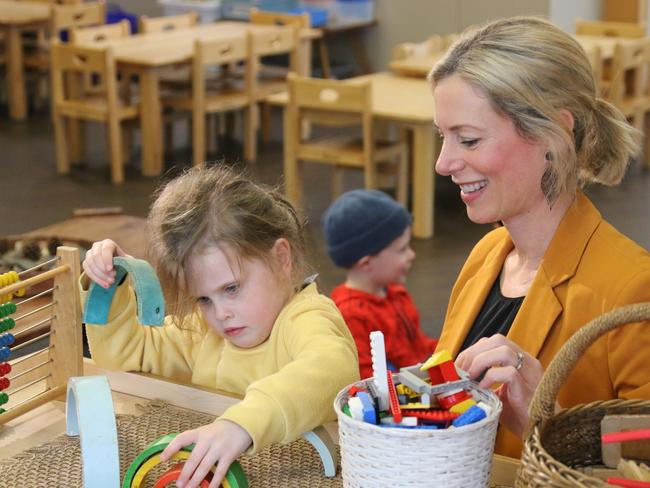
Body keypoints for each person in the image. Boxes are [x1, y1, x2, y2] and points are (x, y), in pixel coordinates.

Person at [429, 16, 650, 458]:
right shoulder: (489, 253)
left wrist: (547, 422)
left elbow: (641, 459)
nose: (443, 162)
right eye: (443, 137)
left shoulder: (631, 287)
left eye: (468, 140)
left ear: (553, 134)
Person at [81, 166, 359, 488]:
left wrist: (240, 426)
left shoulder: (307, 317)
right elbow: (124, 354)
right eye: (203, 299)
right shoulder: (202, 332)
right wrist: (108, 286)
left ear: (282, 258)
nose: (221, 314)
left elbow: (333, 370)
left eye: (231, 289)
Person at [322, 189, 438, 379]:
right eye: (402, 250)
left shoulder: (393, 291)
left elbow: (417, 344)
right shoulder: (351, 314)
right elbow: (368, 378)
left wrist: (451, 348)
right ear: (366, 263)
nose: (412, 255)